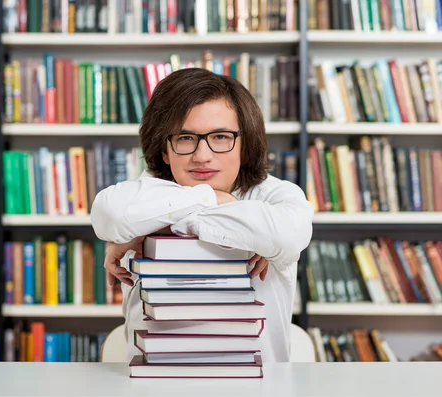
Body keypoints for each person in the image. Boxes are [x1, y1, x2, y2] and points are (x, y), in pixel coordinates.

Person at [90, 67, 314, 363]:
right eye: (185, 138)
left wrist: (158, 226)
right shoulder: (142, 193)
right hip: (154, 384)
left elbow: (285, 236)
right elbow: (110, 215)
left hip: (258, 386)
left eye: (220, 137)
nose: (202, 155)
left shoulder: (276, 196)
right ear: (165, 149)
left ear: (244, 145)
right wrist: (213, 199)